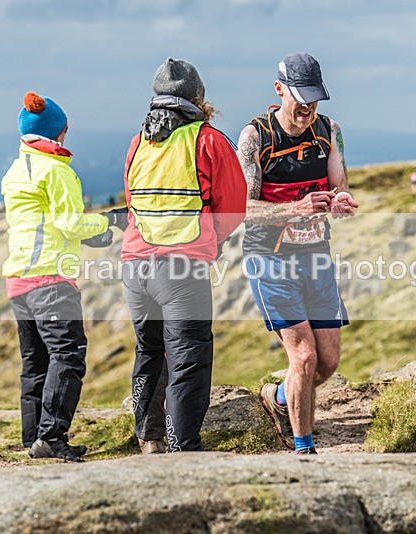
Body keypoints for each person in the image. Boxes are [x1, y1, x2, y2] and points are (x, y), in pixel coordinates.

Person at [120, 58, 247, 452]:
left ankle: (149, 439)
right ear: (198, 98)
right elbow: (233, 207)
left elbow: (130, 199)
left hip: (134, 267)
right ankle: (182, 448)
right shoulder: (207, 139)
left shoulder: (139, 141)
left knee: (149, 351)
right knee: (188, 357)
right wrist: (211, 239)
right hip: (182, 271)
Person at [237, 52, 359, 455]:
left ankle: (278, 396)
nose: (308, 107)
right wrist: (295, 209)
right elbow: (240, 208)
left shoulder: (329, 130)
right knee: (304, 358)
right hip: (270, 258)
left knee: (326, 363)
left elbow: (340, 182)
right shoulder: (256, 136)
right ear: (278, 90)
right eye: (300, 97)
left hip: (316, 257)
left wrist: (340, 201)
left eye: (315, 98)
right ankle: (304, 451)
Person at [2, 91, 128, 462]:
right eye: (66, 129)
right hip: (51, 279)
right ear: (57, 131)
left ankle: (33, 438)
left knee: (35, 361)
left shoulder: (15, 171)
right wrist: (109, 221)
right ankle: (52, 436)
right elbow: (71, 222)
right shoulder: (57, 171)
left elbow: (47, 222)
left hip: (18, 279)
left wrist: (94, 231)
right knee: (68, 355)